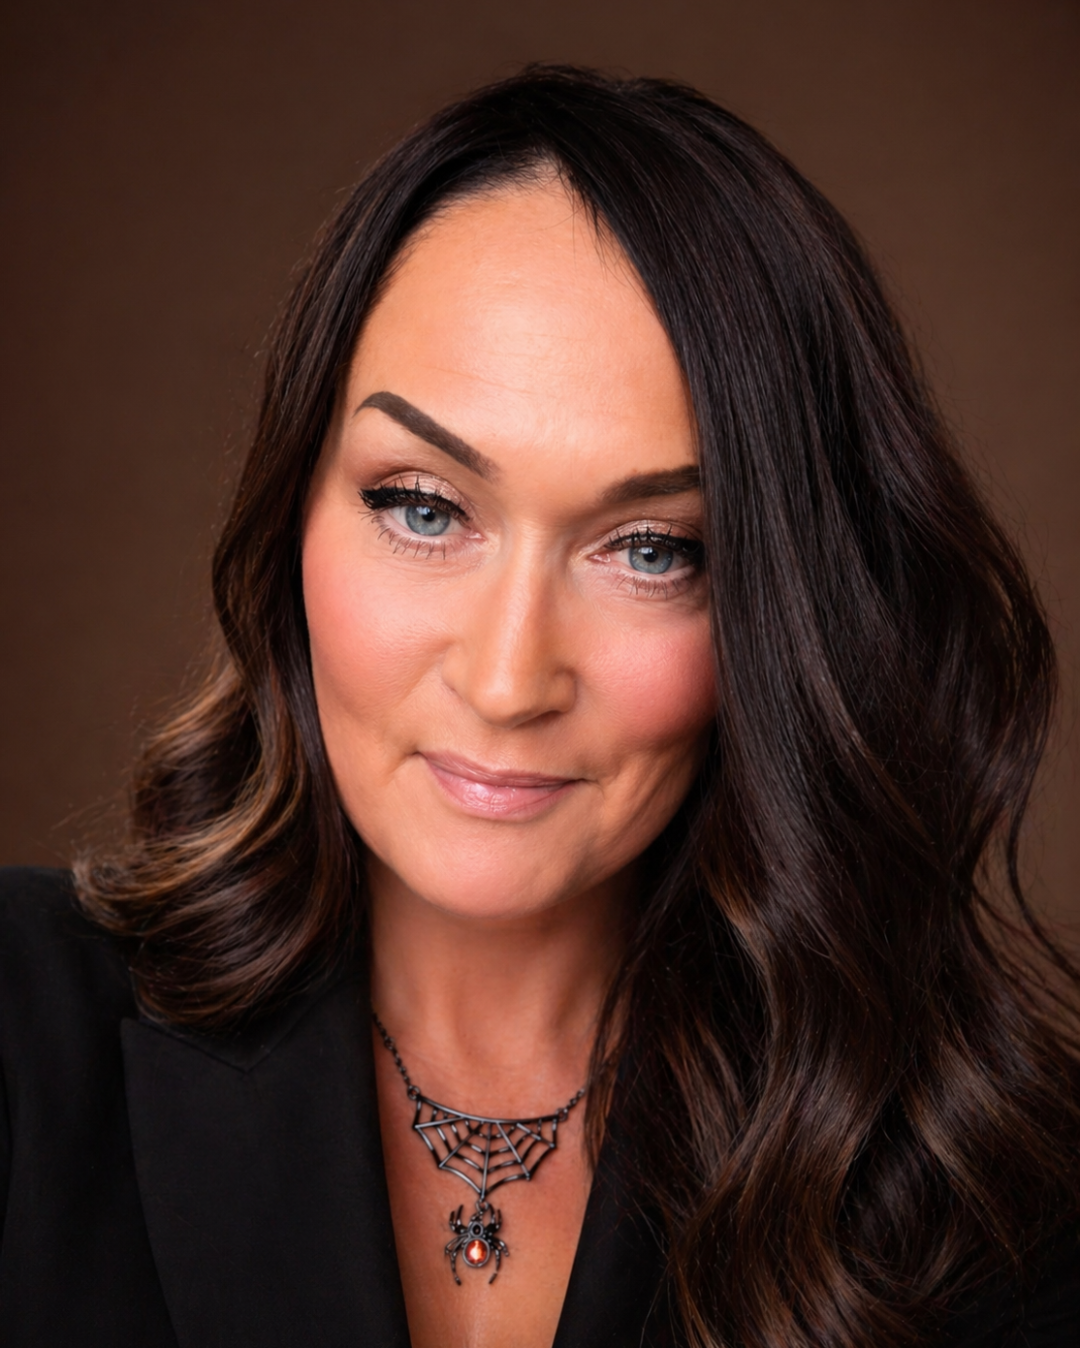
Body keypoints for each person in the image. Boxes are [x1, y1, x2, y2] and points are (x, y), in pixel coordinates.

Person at [1, 64, 1077, 1348]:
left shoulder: (1000, 1193)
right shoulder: (18, 1031)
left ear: (781, 614)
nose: (509, 682)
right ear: (292, 514)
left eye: (651, 549)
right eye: (423, 508)